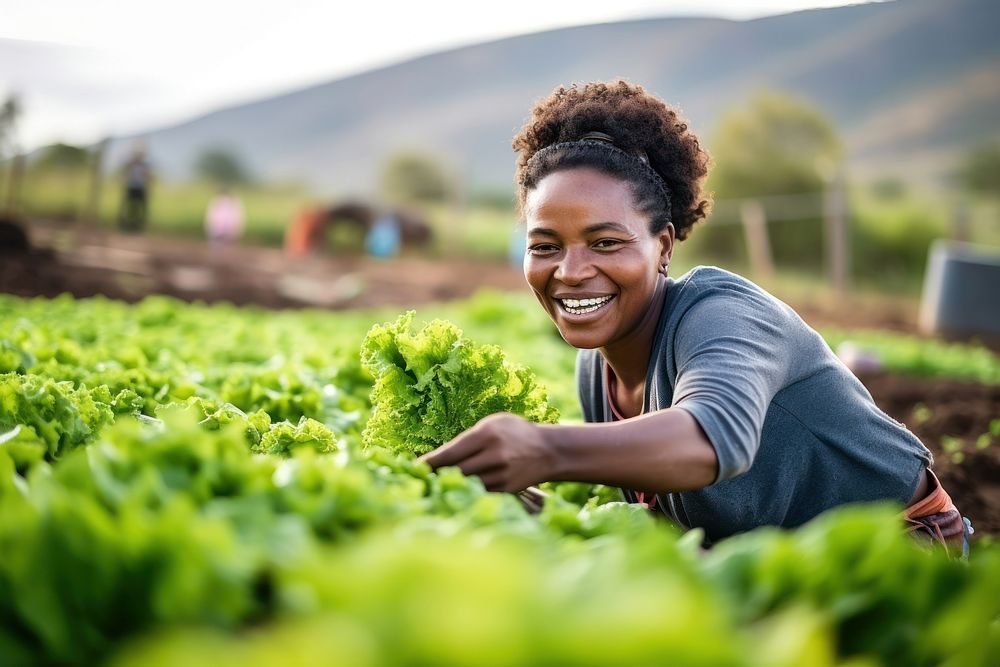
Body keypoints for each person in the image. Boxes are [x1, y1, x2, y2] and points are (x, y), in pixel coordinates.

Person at [421, 80, 972, 554]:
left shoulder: (723, 316)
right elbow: (671, 522)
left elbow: (714, 439)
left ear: (662, 247)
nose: (570, 270)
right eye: (545, 246)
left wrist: (544, 448)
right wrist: (544, 518)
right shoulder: (597, 369)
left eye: (606, 241)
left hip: (897, 557)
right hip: (763, 565)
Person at [119, 143, 152, 232]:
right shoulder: (130, 165)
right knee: (131, 208)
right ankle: (128, 226)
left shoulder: (144, 165)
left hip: (140, 188)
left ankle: (137, 227)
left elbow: (147, 176)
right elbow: (125, 175)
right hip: (132, 188)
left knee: (140, 208)